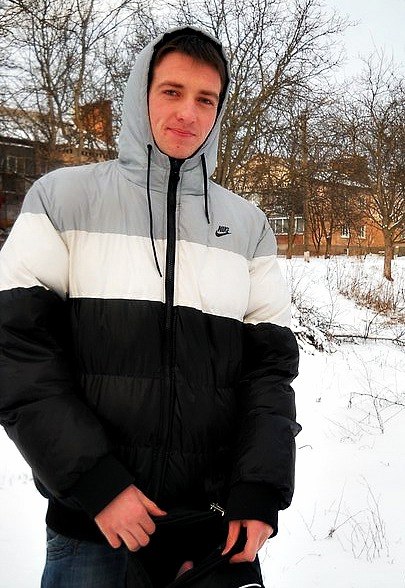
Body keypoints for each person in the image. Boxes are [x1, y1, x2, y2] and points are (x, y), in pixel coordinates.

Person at [0, 26, 301, 587]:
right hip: (95, 528)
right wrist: (96, 483)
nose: (188, 112)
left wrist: (260, 488)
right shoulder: (63, 199)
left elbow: (269, 372)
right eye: (172, 91)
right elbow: (16, 352)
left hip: (212, 524)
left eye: (206, 99)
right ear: (142, 93)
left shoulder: (248, 227)